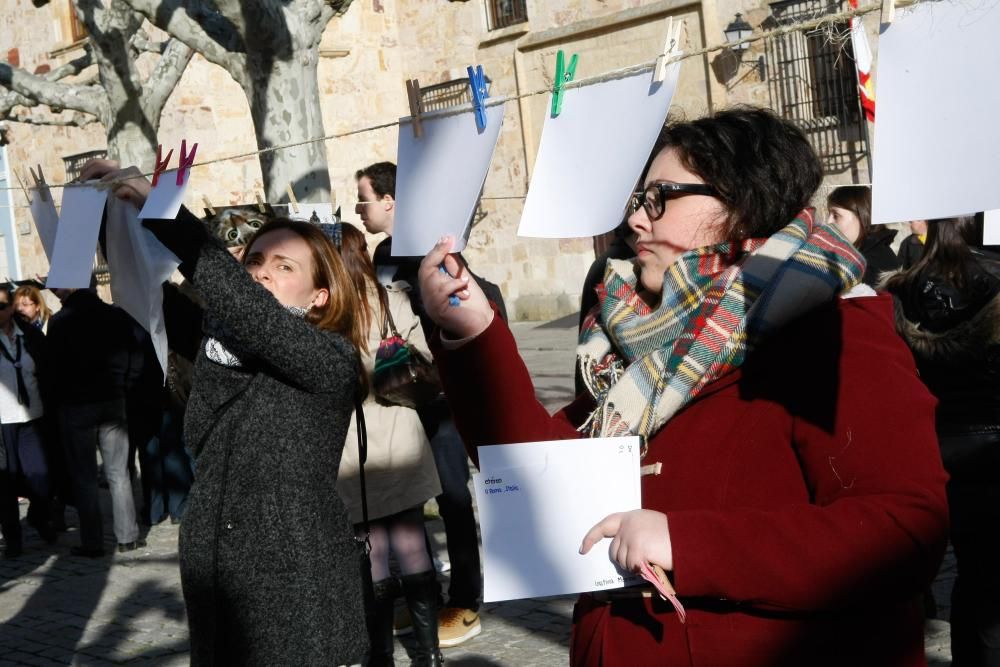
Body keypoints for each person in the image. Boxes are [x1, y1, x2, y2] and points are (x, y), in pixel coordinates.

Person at [417, 107, 949, 665]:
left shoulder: (832, 331)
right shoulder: (641, 344)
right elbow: (535, 468)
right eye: (639, 202)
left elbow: (902, 531)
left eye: (660, 197)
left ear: (739, 205)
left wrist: (686, 544)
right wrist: (473, 332)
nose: (637, 222)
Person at [80, 159, 369, 666]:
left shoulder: (330, 358)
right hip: (217, 571)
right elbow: (164, 299)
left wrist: (161, 205)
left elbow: (246, 307)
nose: (262, 274)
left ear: (320, 296)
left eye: (284, 267)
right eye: (255, 262)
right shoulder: (217, 346)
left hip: (295, 579)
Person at [357, 161, 486, 646]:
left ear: (389, 200)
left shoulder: (435, 244)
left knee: (453, 498)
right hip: (401, 394)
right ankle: (422, 596)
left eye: (363, 199)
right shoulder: (384, 252)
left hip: (444, 389)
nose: (360, 209)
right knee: (413, 500)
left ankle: (467, 599)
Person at [882, 217, 1000, 666]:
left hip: (932, 447)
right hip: (993, 447)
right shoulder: (995, 278)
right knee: (990, 591)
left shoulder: (900, 290)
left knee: (964, 573)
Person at [334, 223, 444, 666]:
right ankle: (431, 654)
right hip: (402, 434)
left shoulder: (329, 314)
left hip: (354, 445)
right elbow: (427, 361)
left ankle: (380, 656)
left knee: (373, 551)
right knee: (413, 541)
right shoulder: (392, 301)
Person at [47, 284, 143, 557]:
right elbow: (135, 355)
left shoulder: (60, 322)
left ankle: (93, 542)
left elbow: (51, 368)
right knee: (119, 473)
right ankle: (128, 537)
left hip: (76, 406)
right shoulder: (116, 316)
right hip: (113, 400)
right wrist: (124, 385)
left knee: (85, 477)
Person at [0, 285, 55, 557]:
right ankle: (13, 540)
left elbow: (46, 369)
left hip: (32, 417)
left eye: (1, 306)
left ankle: (38, 515)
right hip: (2, 423)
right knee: (6, 484)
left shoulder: (29, 336)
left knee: (41, 476)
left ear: (11, 307)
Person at [827, 185, 901, 287]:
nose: (828, 222)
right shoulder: (864, 256)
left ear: (862, 216)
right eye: (829, 214)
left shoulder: (870, 267)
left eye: (836, 215)